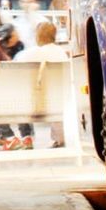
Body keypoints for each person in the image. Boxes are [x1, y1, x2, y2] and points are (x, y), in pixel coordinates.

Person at [16, 20, 70, 148]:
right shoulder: (61, 53)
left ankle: (26, 136)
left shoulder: (31, 53)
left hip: (36, 103)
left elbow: (18, 64)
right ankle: (59, 138)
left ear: (38, 36)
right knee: (56, 95)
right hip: (61, 100)